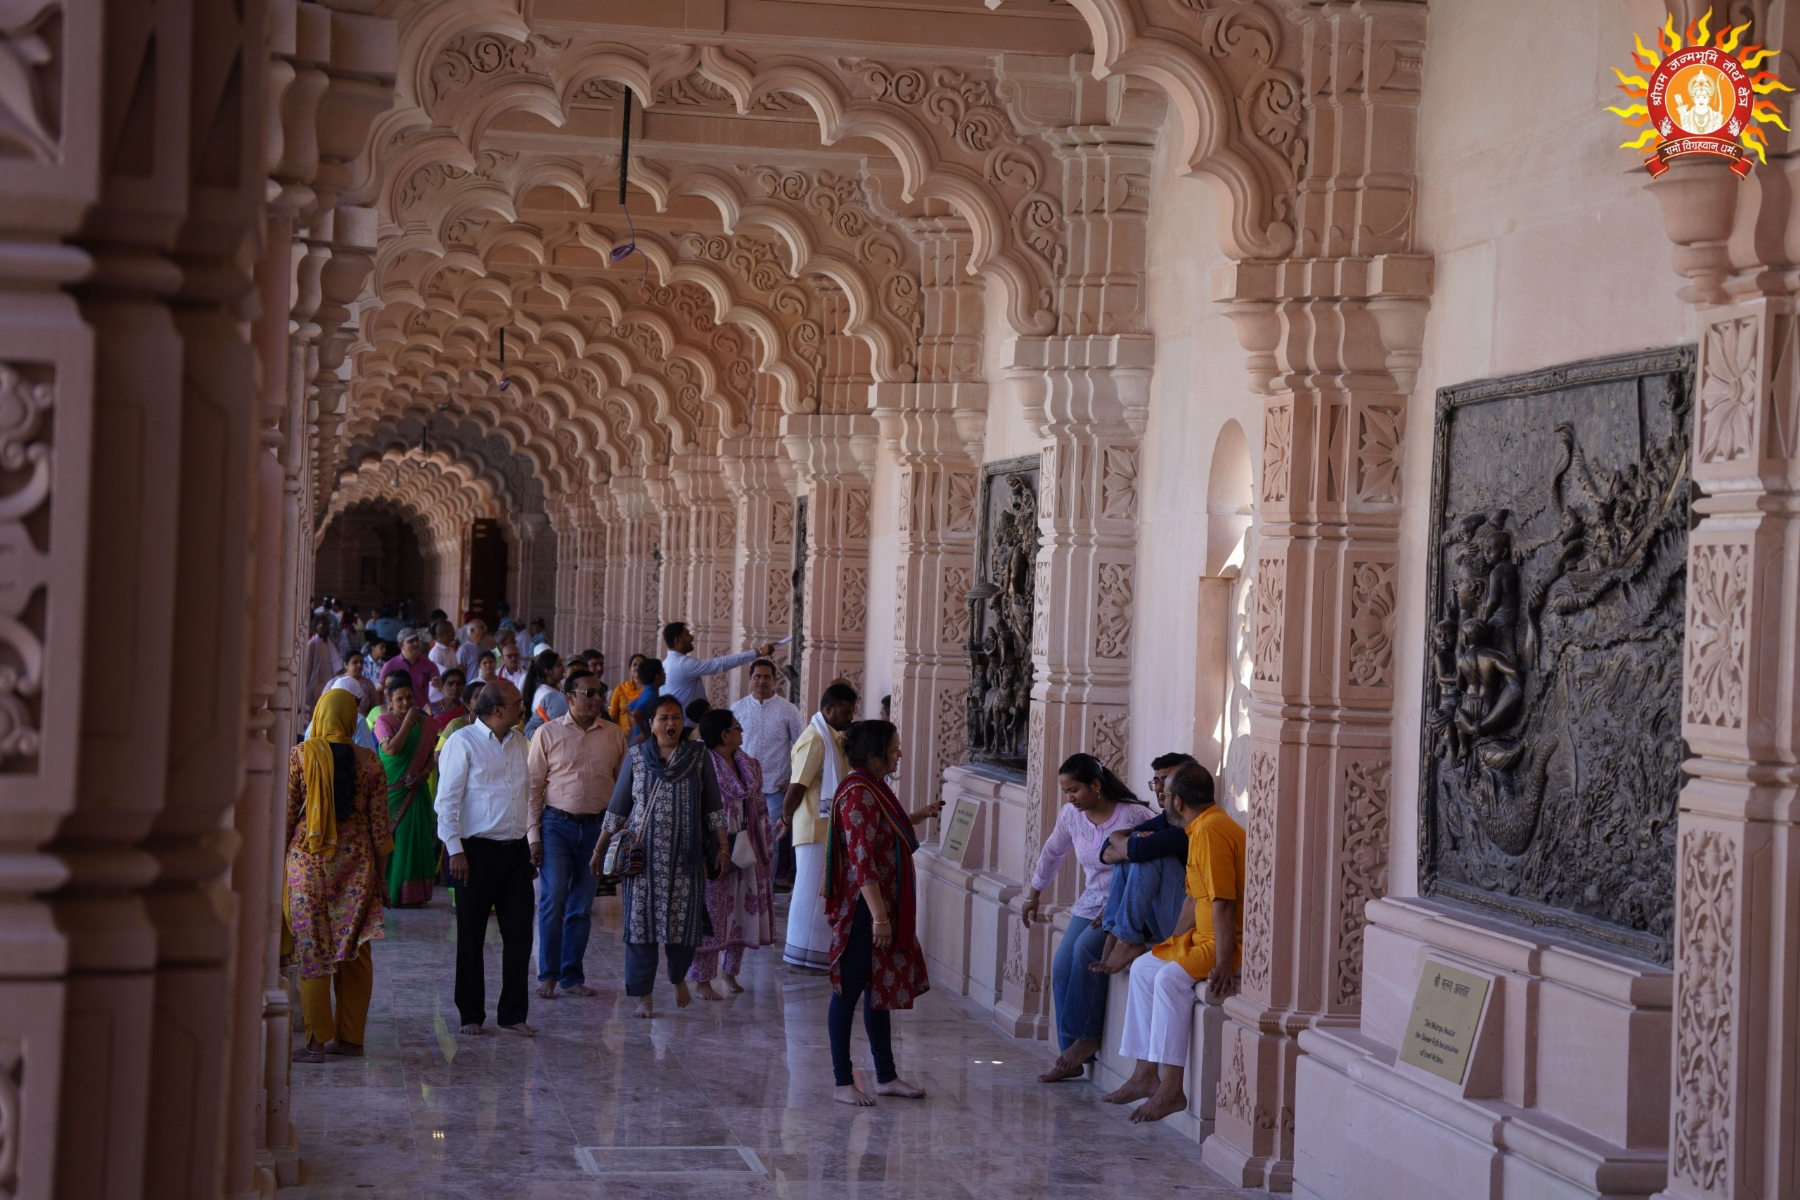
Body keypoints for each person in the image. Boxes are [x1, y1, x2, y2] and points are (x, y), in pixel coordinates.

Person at [1103, 764, 1245, 1122]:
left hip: (1225, 942)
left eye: (1165, 796)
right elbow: (1192, 899)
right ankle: (1144, 1075)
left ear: (1177, 801)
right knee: (1145, 967)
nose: (1163, 801)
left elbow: (1223, 904)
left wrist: (1224, 965)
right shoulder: (1199, 827)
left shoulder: (1212, 831)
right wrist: (1169, 944)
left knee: (1168, 980)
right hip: (1199, 937)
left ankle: (1171, 1089)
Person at [590, 694, 731, 1018]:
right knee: (641, 930)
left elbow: (713, 808)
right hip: (643, 863)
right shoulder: (637, 756)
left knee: (684, 928)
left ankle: (678, 976)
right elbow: (618, 808)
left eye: (676, 717)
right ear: (651, 724)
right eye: (664, 718)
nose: (671, 723)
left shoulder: (698, 757)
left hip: (686, 860)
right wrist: (600, 849)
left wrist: (722, 848)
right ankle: (643, 995)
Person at [823, 719, 938, 1106]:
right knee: (849, 991)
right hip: (865, 910)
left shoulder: (874, 788)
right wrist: (880, 919)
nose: (899, 754)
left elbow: (886, 833)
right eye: (893, 749)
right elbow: (862, 862)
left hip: (879, 907)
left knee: (879, 991)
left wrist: (917, 816)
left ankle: (886, 1076)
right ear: (873, 756)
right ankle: (843, 1082)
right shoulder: (859, 794)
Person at [1020, 753, 1154, 1083]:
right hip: (1091, 903)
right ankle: (1071, 1052)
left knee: (1086, 952)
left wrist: (1120, 910)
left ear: (1096, 785)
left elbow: (1155, 858)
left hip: (1125, 906)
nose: (1070, 798)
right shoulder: (1071, 816)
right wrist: (1034, 893)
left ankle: (1086, 1039)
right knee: (1062, 963)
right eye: (1066, 791)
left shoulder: (1135, 814)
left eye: (1074, 790)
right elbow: (1052, 852)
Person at [285, 690, 392, 1062]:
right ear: (350, 720)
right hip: (357, 868)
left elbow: (285, 818)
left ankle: (316, 1043)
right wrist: (380, 881)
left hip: (308, 864)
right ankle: (351, 1039)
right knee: (356, 950)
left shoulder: (301, 756)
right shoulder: (371, 764)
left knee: (313, 950)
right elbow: (381, 832)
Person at [435, 681, 536, 1036]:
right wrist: (455, 850)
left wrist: (532, 840)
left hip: (515, 852)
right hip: (474, 852)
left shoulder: (521, 743)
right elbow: (445, 802)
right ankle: (471, 1015)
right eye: (517, 704)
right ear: (496, 711)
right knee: (471, 934)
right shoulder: (463, 743)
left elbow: (527, 797)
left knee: (520, 933)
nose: (522, 709)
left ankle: (512, 1013)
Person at [527, 668, 626, 1000]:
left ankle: (572, 976)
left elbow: (621, 788)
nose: (598, 699)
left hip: (597, 830)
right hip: (556, 826)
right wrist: (534, 836)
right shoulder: (547, 734)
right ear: (569, 697)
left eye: (600, 692)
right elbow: (534, 789)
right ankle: (548, 974)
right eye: (590, 693)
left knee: (581, 906)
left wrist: (617, 832)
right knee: (553, 899)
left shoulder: (613, 735)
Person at [689, 709, 776, 997]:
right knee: (713, 913)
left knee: (741, 911)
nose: (742, 732)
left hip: (748, 845)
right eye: (737, 728)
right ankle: (702, 980)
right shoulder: (701, 766)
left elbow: (757, 803)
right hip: (717, 847)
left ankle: (730, 972)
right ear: (724, 735)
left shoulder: (747, 764)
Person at [1092, 752, 1198, 976]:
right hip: (1162, 921)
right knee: (1126, 859)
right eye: (1156, 780)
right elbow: (1105, 853)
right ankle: (1114, 934)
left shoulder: (1189, 823)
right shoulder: (1165, 819)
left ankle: (1127, 939)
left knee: (1147, 855)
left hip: (1188, 929)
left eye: (1166, 780)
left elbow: (1139, 851)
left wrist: (1126, 842)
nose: (1159, 787)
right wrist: (1121, 839)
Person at [780, 682, 857, 970]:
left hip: (823, 826)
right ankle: (800, 952)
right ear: (828, 709)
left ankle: (815, 952)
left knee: (819, 892)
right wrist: (786, 818)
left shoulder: (833, 738)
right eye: (846, 711)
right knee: (808, 891)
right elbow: (796, 787)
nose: (851, 716)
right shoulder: (815, 739)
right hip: (812, 826)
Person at [730, 658, 804, 888]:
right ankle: (743, 893)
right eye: (757, 677)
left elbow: (802, 747)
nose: (762, 681)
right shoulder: (737, 710)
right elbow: (727, 748)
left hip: (774, 789)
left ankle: (765, 894)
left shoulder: (788, 710)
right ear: (750, 680)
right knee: (741, 840)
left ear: (774, 680)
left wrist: (793, 778)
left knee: (770, 843)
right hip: (742, 789)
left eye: (767, 677)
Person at [375, 673, 438, 908]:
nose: (405, 703)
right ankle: (390, 891)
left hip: (417, 789)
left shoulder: (427, 724)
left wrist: (423, 775)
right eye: (399, 699)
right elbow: (391, 750)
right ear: (389, 701)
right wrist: (409, 723)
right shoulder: (384, 722)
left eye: (409, 698)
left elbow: (433, 754)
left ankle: (415, 894)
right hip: (392, 791)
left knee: (417, 838)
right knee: (393, 840)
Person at [659, 621, 775, 710]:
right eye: (687, 634)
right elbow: (719, 664)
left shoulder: (667, 663)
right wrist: (759, 652)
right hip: (686, 729)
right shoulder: (681, 665)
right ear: (678, 640)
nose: (692, 637)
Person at [379, 628, 440, 702]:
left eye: (417, 639)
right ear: (401, 645)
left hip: (422, 712)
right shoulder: (389, 666)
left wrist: (437, 683)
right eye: (410, 641)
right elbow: (379, 689)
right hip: (398, 712)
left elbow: (437, 681)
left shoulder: (429, 665)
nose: (416, 643)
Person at [523, 650, 566, 737]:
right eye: (559, 665)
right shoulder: (546, 694)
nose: (563, 667)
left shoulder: (557, 686)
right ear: (548, 671)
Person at [303, 616, 341, 712]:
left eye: (327, 625)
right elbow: (307, 667)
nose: (326, 628)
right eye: (323, 625)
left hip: (327, 681)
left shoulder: (330, 645)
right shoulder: (312, 644)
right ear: (316, 627)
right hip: (315, 683)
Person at [626, 657, 666, 746]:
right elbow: (636, 713)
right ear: (657, 677)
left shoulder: (646, 691)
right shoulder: (651, 696)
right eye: (663, 671)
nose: (665, 674)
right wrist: (645, 733)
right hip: (641, 747)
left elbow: (629, 707)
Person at [609, 653, 647, 732]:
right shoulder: (620, 689)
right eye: (635, 664)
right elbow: (613, 716)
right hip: (623, 736)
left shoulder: (650, 690)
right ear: (630, 670)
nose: (637, 667)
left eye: (641, 665)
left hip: (644, 735)